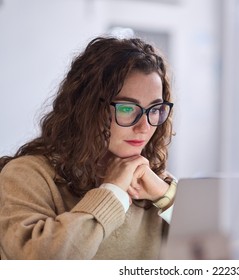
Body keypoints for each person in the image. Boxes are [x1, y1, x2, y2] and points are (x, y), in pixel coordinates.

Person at [0, 35, 177, 260]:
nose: (144, 127)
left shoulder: (153, 182)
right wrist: (112, 192)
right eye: (126, 109)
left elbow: (214, 253)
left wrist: (166, 196)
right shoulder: (26, 176)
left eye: (154, 110)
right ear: (88, 108)